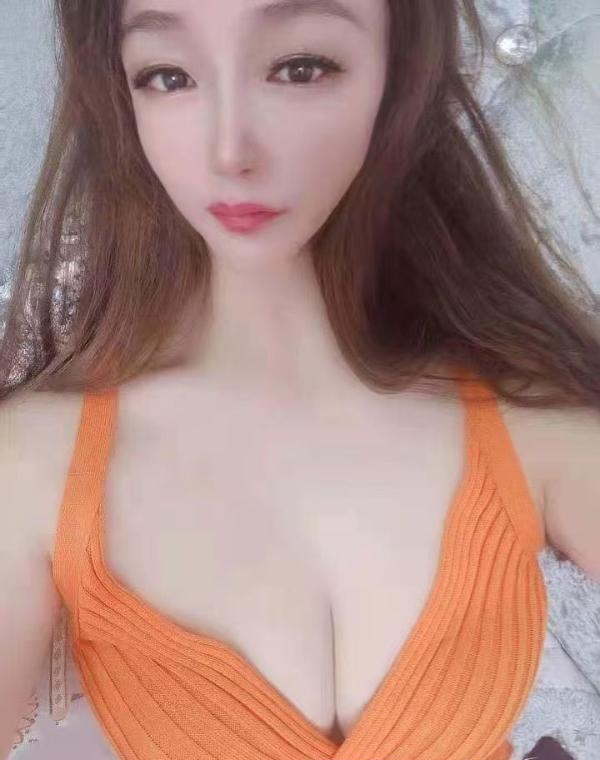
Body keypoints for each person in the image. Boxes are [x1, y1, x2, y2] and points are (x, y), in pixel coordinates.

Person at [1, 1, 599, 759]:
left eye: (300, 68)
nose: (229, 151)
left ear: (398, 75)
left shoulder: (534, 425)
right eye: (168, 76)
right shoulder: (36, 462)